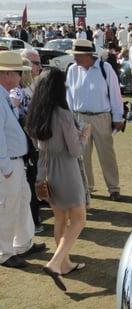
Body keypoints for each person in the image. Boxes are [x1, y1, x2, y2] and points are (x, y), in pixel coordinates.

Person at [25, 68, 91, 290]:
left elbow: (37, 145)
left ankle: (64, 264)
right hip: (66, 171)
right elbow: (74, 151)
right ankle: (55, 263)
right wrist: (83, 136)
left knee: (60, 219)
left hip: (46, 171)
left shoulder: (37, 112)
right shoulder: (62, 114)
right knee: (79, 219)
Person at [0, 51, 46, 269]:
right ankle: (4, 252)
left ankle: (23, 243)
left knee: (22, 200)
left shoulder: (6, 95)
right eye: (18, 73)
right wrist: (5, 166)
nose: (21, 77)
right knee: (8, 207)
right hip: (8, 163)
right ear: (7, 74)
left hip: (16, 161)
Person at [66, 39, 124, 201]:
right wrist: (70, 118)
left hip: (101, 117)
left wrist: (118, 117)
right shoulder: (72, 70)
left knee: (107, 155)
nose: (74, 58)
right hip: (79, 117)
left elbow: (115, 95)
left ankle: (113, 188)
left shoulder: (105, 69)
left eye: (76, 55)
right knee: (82, 156)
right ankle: (86, 188)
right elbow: (69, 97)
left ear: (87, 55)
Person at [10, 49, 44, 233]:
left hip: (31, 141)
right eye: (35, 63)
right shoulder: (18, 91)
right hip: (24, 144)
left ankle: (33, 219)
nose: (39, 66)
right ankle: (32, 221)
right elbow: (13, 105)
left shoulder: (32, 86)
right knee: (29, 180)